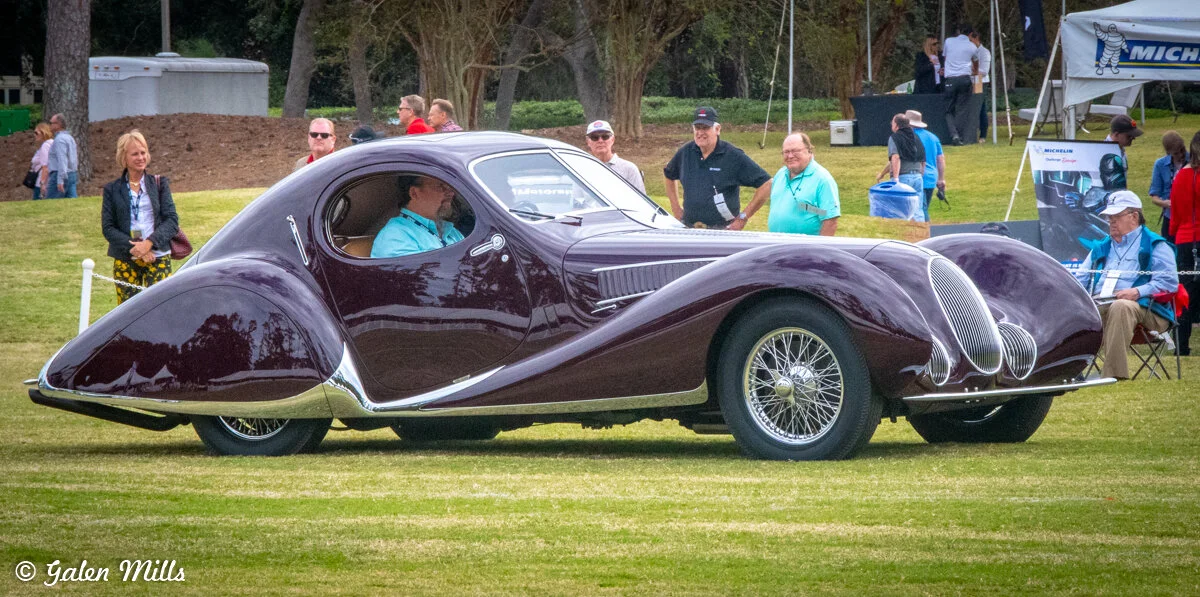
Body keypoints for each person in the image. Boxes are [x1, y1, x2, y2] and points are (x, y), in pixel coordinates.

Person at [1073, 190, 1178, 379]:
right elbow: (1080, 279)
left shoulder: (1156, 245)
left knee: (1121, 306)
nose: (1111, 221)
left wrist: (1137, 292)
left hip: (1149, 310)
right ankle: (1066, 373)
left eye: (1116, 216)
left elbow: (1169, 283)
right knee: (1071, 307)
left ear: (1134, 216)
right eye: (1109, 216)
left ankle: (1113, 375)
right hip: (1101, 304)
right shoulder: (1101, 247)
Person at [101, 130, 180, 304]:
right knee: (127, 313)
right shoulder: (112, 190)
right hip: (126, 257)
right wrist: (137, 249)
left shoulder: (160, 184)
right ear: (124, 158)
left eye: (143, 152)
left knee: (161, 309)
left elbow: (172, 221)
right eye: (135, 154)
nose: (140, 157)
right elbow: (108, 228)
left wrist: (148, 244)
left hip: (157, 256)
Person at [663, 106, 771, 230]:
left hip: (724, 231)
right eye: (697, 128)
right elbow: (669, 174)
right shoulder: (685, 152)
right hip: (689, 228)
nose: (700, 132)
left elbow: (766, 184)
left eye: (706, 128)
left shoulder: (733, 156)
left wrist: (743, 218)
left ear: (717, 129)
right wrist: (676, 208)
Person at [371, 175, 464, 258]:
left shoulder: (451, 231)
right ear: (414, 193)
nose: (451, 193)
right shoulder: (394, 236)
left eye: (449, 186)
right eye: (441, 186)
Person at [767, 132, 839, 236]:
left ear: (809, 151)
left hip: (806, 249)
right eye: (786, 152)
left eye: (795, 151)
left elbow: (830, 220)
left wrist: (819, 249)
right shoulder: (780, 175)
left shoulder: (822, 179)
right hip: (777, 245)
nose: (790, 156)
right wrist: (807, 207)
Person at [1168, 131, 1200, 356]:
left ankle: (1182, 345)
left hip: (1184, 239)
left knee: (1185, 293)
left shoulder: (1181, 175)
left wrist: (1174, 234)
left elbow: (1176, 213)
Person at [879, 113, 926, 222]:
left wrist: (895, 179)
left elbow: (895, 157)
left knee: (901, 210)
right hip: (918, 176)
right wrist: (921, 174)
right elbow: (923, 158)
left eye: (892, 122)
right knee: (917, 209)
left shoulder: (895, 137)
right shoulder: (915, 137)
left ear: (896, 125)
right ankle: (921, 234)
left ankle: (902, 235)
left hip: (903, 177)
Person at [942, 24, 980, 145]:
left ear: (959, 32)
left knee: (949, 110)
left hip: (951, 79)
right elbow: (976, 62)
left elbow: (946, 57)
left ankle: (954, 135)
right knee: (962, 109)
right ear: (970, 34)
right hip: (965, 79)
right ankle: (961, 136)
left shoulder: (948, 41)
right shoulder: (972, 46)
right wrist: (975, 72)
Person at [905, 110, 946, 223]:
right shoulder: (933, 137)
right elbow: (940, 159)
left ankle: (926, 235)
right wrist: (941, 179)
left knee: (920, 210)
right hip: (931, 177)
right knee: (923, 207)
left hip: (917, 175)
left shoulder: (909, 137)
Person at [584, 120, 646, 194]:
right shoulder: (583, 170)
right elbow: (576, 201)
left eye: (605, 136)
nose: (600, 140)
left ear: (612, 140)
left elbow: (641, 202)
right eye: (594, 137)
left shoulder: (629, 169)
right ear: (588, 142)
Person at [1149, 131, 1187, 242]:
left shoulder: (1194, 161)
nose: (1180, 155)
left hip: (1191, 218)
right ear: (1168, 152)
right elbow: (1154, 197)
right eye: (1176, 153)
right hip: (1170, 217)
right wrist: (1165, 203)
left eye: (1182, 150)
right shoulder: (1160, 165)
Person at [1101, 114, 1144, 190]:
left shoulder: (1120, 149)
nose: (1133, 138)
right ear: (1116, 134)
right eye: (1129, 135)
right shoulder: (1101, 152)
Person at [46, 113, 79, 198]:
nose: (50, 125)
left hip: (60, 174)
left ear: (59, 124)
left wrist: (60, 180)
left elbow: (62, 160)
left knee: (51, 204)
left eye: (51, 123)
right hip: (72, 174)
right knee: (72, 204)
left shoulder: (59, 140)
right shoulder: (70, 138)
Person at [969, 31, 992, 142]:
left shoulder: (984, 52)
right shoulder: (969, 51)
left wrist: (971, 71)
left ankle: (983, 134)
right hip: (971, 82)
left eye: (970, 40)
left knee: (981, 108)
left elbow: (984, 71)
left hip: (981, 83)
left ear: (976, 38)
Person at [29, 122, 54, 200]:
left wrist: (42, 183)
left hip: (41, 181)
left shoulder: (45, 146)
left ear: (43, 133)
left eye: (36, 133)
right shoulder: (52, 143)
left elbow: (45, 167)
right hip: (50, 180)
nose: (35, 135)